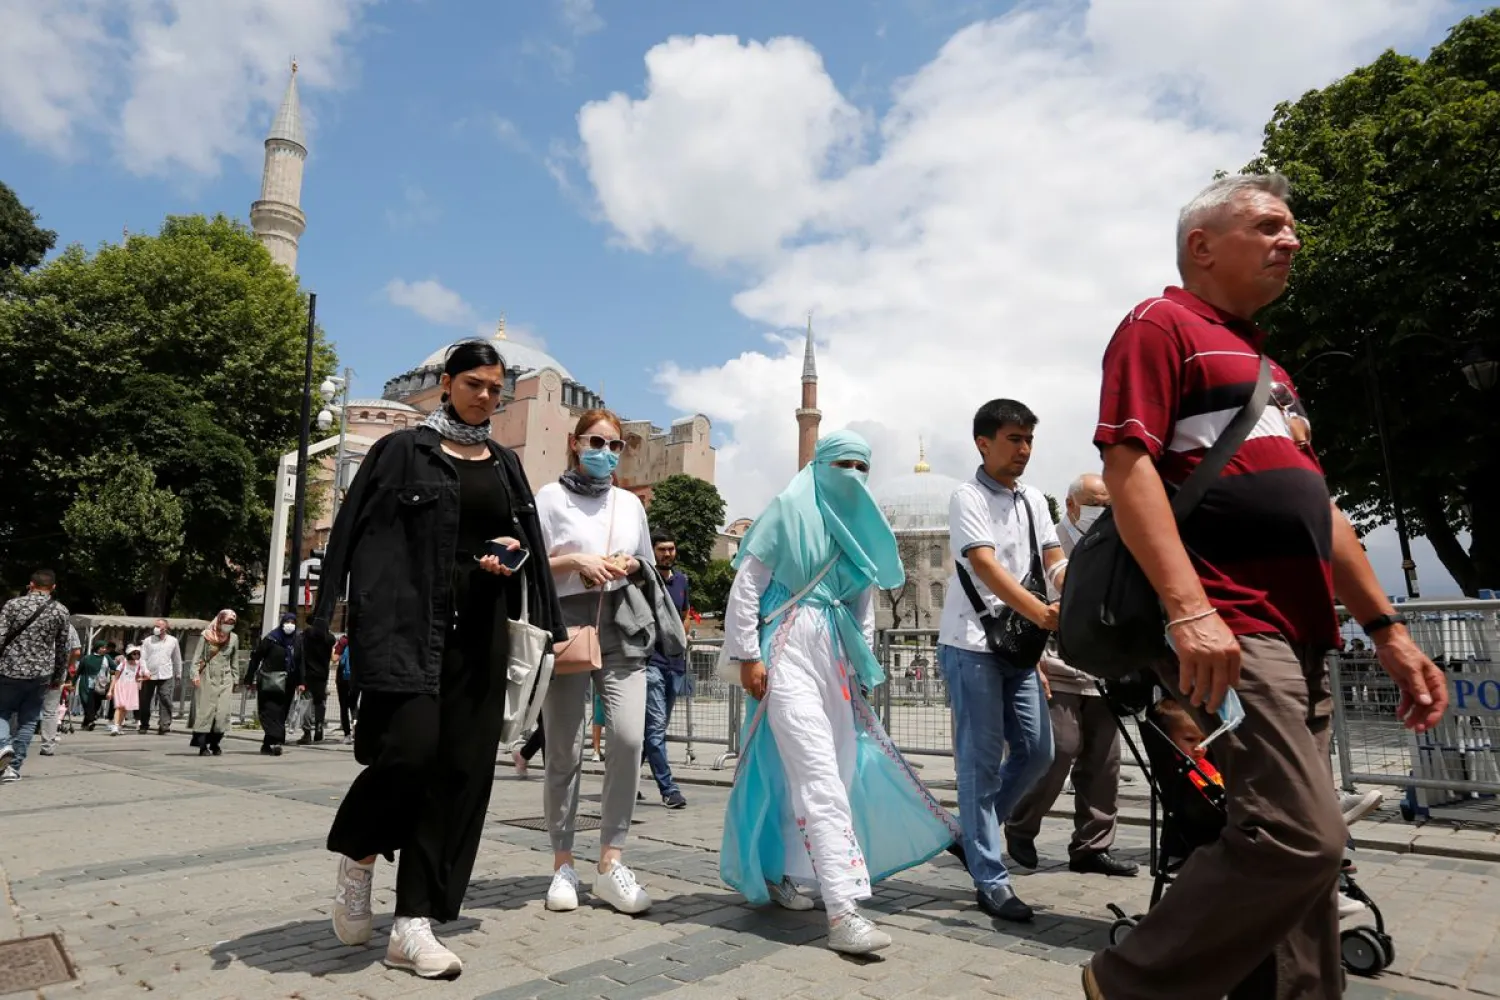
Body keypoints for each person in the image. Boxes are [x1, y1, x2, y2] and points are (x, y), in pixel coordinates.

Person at [1082, 172, 1448, 1000]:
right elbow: (1127, 464)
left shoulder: (1271, 370)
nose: (1292, 241)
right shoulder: (1160, 323)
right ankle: (1127, 979)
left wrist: (1385, 629)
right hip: (1235, 624)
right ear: (1202, 246)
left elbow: (1324, 513)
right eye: (1269, 225)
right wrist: (1190, 611)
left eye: (1293, 228)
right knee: (1301, 838)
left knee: (1302, 862)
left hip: (1307, 630)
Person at [315, 339, 565, 980]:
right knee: (407, 754)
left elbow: (528, 542)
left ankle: (412, 925)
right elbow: (347, 535)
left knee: (460, 775)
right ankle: (360, 852)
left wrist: (507, 560)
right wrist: (324, 621)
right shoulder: (402, 451)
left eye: (496, 389)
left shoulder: (505, 463)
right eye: (475, 384)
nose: (486, 397)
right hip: (406, 630)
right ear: (447, 383)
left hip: (479, 633)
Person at [719, 431, 960, 955]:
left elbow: (864, 608)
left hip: (835, 655)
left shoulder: (861, 529)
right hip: (786, 647)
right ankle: (844, 909)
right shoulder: (787, 511)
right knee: (818, 774)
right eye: (842, 463)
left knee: (829, 767)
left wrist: (858, 665)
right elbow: (747, 588)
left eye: (861, 466)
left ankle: (779, 870)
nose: (851, 474)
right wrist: (748, 656)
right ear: (820, 464)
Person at [537, 408, 679, 918]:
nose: (606, 453)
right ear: (575, 444)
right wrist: (577, 562)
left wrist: (627, 563)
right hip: (568, 626)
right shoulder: (550, 498)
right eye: (597, 442)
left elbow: (644, 562)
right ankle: (562, 862)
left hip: (622, 623)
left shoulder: (628, 504)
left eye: (615, 446)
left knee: (627, 738)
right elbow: (532, 566)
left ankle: (611, 861)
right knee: (564, 748)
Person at [935, 399, 1062, 922]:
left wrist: (1065, 587)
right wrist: (1043, 614)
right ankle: (991, 878)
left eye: (1029, 439)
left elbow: (1052, 555)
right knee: (979, 765)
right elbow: (984, 565)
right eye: (1014, 439)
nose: (1024, 449)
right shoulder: (966, 497)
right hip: (972, 644)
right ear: (983, 443)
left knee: (1038, 751)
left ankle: (971, 836)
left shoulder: (1034, 498)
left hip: (1018, 646)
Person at [1003, 474, 1137, 879]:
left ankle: (1093, 846)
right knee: (1060, 748)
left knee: (1105, 761)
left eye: (1107, 502)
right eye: (1095, 501)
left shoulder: (1114, 542)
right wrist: (1033, 663)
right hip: (1055, 665)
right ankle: (1021, 825)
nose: (1102, 509)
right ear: (1073, 504)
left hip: (1103, 670)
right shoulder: (1050, 544)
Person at [0, 570, 73, 783]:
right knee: (29, 719)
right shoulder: (61, 611)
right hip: (41, 673)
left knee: (2, 711)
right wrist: (58, 677)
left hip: (9, 670)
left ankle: (3, 745)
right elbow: (63, 647)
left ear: (30, 584)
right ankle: (13, 767)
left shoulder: (13, 605)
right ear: (54, 587)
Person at [642, 528, 691, 809]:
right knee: (656, 728)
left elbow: (685, 614)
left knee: (649, 731)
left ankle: (623, 779)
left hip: (675, 664)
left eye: (671, 549)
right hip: (651, 664)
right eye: (662, 549)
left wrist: (681, 642)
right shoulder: (643, 581)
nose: (668, 554)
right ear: (653, 551)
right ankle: (669, 789)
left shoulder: (682, 580)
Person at [247, 613, 299, 756]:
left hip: (288, 684)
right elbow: (256, 657)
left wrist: (301, 682)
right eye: (287, 621)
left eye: (292, 621)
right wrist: (249, 678)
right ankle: (276, 742)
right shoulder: (271, 639)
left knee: (281, 713)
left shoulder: (296, 641)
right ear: (282, 623)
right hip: (270, 682)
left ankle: (268, 743)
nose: (290, 624)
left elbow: (300, 662)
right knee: (269, 712)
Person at [190, 610, 239, 757]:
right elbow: (197, 657)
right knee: (206, 712)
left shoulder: (234, 638)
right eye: (226, 622)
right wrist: (195, 675)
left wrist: (236, 679)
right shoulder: (206, 636)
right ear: (219, 621)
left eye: (232, 623)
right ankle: (202, 745)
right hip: (208, 676)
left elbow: (234, 660)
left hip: (225, 678)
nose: (228, 626)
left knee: (222, 713)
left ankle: (216, 742)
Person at [38, 623, 81, 756]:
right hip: (57, 672)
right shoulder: (68, 626)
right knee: (50, 710)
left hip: (31, 670)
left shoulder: (33, 619)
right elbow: (77, 651)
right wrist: (68, 666)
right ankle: (48, 745)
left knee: (21, 707)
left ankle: (11, 742)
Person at [298, 621, 335, 745]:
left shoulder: (307, 638)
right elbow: (332, 639)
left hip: (308, 674)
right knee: (320, 703)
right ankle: (319, 728)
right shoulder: (328, 640)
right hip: (322, 676)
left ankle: (307, 732)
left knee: (306, 703)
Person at [75, 640, 112, 730]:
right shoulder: (86, 658)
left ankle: (86, 723)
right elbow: (78, 672)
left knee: (96, 704)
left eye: (105, 648)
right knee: (88, 703)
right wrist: (72, 684)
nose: (104, 649)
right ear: (97, 648)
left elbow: (115, 667)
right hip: (87, 684)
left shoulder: (106, 658)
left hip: (101, 685)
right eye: (102, 647)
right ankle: (91, 721)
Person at [109, 647, 144, 736]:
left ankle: (119, 725)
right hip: (121, 686)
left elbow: (137, 676)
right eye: (134, 653)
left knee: (125, 708)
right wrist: (110, 690)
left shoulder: (139, 665)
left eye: (138, 653)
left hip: (131, 687)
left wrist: (142, 679)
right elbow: (115, 678)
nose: (137, 655)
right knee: (119, 707)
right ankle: (115, 726)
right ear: (129, 654)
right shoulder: (123, 664)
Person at [333, 634, 358, 744]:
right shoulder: (361, 640)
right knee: (354, 706)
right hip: (356, 678)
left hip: (342, 679)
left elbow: (334, 658)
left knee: (344, 707)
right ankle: (356, 731)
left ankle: (347, 734)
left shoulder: (343, 641)